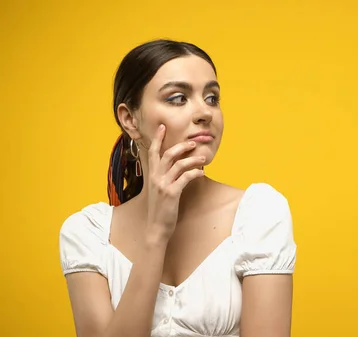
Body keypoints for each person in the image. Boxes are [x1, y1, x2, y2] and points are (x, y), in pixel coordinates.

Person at [58, 39, 297, 337]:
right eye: (177, 98)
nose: (205, 112)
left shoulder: (259, 214)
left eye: (212, 97)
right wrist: (156, 234)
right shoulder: (88, 235)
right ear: (130, 119)